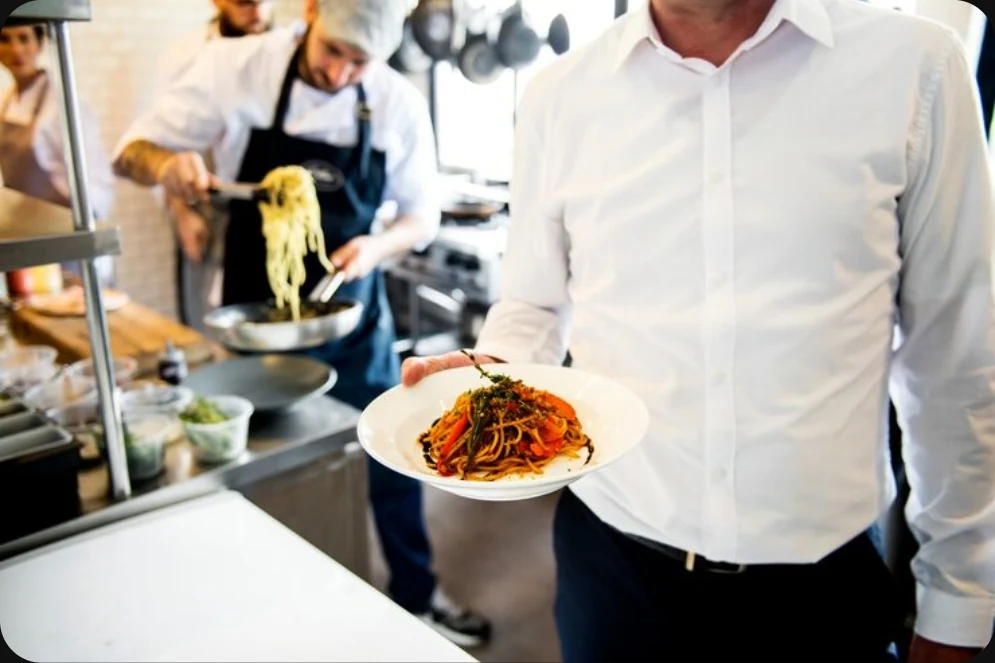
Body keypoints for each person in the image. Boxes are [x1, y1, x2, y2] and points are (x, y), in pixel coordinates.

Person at [400, 0, 995, 661]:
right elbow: (534, 303)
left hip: (820, 590)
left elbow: (957, 355)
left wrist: (959, 598)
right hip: (614, 570)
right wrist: (495, 374)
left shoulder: (915, 66)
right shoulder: (559, 95)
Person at [111, 0, 491, 647]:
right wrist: (168, 166)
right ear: (310, 12)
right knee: (267, 472)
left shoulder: (394, 100)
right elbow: (130, 152)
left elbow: (419, 215)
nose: (343, 73)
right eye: (332, 52)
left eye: (360, 62)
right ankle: (276, 621)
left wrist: (374, 247)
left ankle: (418, 596)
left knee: (393, 457)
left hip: (352, 312)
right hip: (259, 323)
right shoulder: (239, 65)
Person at [152, 0, 293, 330]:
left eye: (262, 3)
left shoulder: (290, 49)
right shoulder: (185, 56)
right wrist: (183, 213)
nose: (256, 13)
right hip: (213, 211)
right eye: (244, 3)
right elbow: (166, 142)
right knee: (214, 319)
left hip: (279, 212)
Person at [0, 19, 115, 285]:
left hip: (68, 243)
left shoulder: (64, 104)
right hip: (29, 241)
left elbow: (97, 183)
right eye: (5, 39)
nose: (16, 50)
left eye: (24, 38)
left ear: (40, 43)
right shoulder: (6, 102)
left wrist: (86, 235)